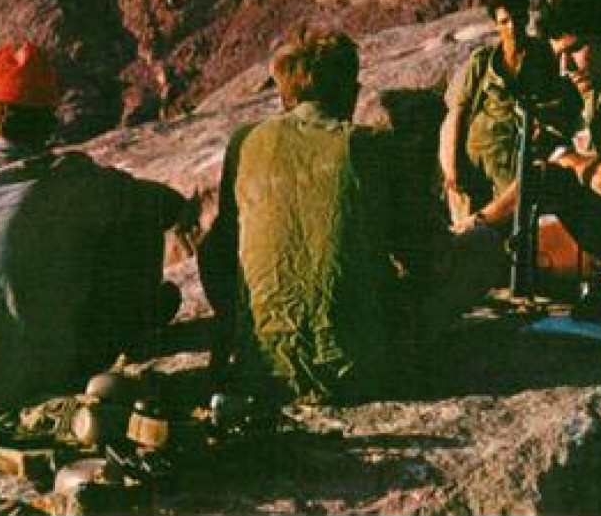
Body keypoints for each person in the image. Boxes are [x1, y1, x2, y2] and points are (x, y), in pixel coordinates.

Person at [0, 43, 190, 439]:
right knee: (133, 220)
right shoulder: (67, 180)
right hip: (33, 384)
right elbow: (164, 205)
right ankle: (137, 329)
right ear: (50, 126)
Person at [213, 28, 506, 404]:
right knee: (482, 246)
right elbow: (432, 258)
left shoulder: (244, 142)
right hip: (357, 370)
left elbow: (218, 253)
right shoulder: (374, 147)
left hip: (262, 369)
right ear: (350, 92)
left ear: (285, 95)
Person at [467, 0, 601, 291]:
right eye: (559, 57)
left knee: (546, 179)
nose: (566, 69)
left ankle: (471, 231)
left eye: (574, 50)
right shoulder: (599, 89)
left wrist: (563, 155)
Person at [439, 0, 568, 225]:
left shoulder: (543, 55)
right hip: (478, 159)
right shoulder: (483, 62)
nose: (512, 27)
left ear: (526, 19)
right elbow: (459, 111)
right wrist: (452, 167)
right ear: (496, 25)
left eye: (518, 19)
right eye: (504, 22)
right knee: (472, 231)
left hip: (518, 156)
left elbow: (558, 102)